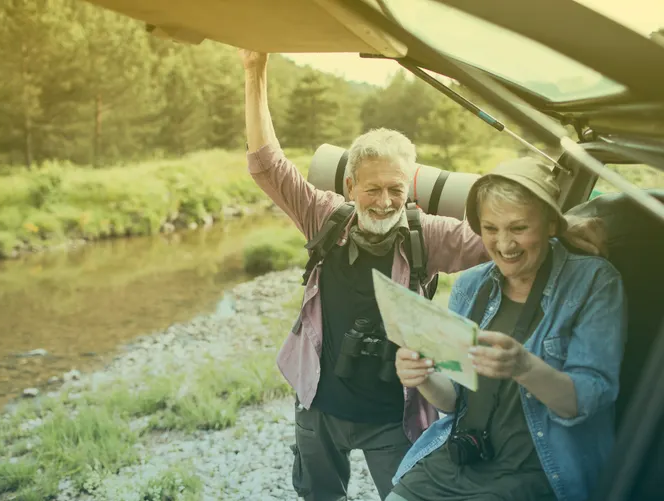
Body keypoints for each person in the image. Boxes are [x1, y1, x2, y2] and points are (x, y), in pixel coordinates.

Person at [239, 50, 607, 501]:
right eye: (372, 189)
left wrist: (563, 229)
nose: (384, 201)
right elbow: (265, 164)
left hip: (395, 413)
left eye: (397, 189)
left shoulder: (426, 235)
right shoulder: (323, 218)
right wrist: (254, 71)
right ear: (349, 187)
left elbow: (506, 239)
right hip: (317, 402)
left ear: (409, 187)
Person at [388, 158, 626, 501]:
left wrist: (524, 367)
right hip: (459, 460)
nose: (504, 244)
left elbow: (589, 399)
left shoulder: (594, 282)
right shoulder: (470, 285)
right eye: (491, 229)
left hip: (537, 472)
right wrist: (422, 376)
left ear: (550, 224)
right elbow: (454, 401)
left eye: (518, 228)